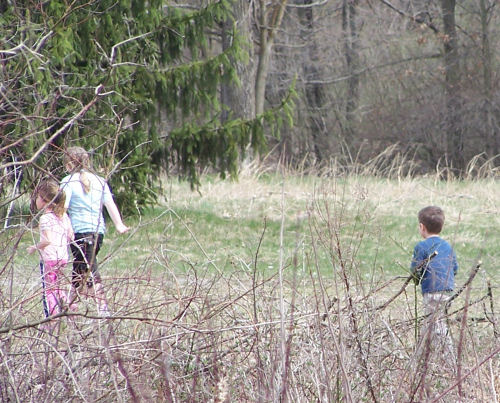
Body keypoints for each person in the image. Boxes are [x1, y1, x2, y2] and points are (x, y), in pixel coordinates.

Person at [60, 146, 129, 317]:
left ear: (68, 165)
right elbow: (110, 204)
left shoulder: (68, 182)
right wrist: (119, 224)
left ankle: (103, 308)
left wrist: (59, 223)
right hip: (98, 233)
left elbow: (64, 207)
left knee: (89, 269)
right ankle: (69, 306)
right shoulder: (99, 181)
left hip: (79, 233)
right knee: (81, 268)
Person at [411, 205, 458, 359]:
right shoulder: (448, 246)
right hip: (447, 290)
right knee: (435, 322)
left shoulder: (421, 247)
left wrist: (415, 280)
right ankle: (426, 357)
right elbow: (455, 268)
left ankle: (447, 359)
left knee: (435, 325)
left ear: (421, 227)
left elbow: (415, 271)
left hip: (431, 291)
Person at [27, 179, 74, 319]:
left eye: (37, 197)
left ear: (44, 200)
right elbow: (71, 236)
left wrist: (34, 247)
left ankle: (51, 319)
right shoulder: (63, 216)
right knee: (58, 286)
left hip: (49, 259)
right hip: (62, 257)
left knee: (48, 290)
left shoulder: (45, 218)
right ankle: (69, 308)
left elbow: (46, 241)